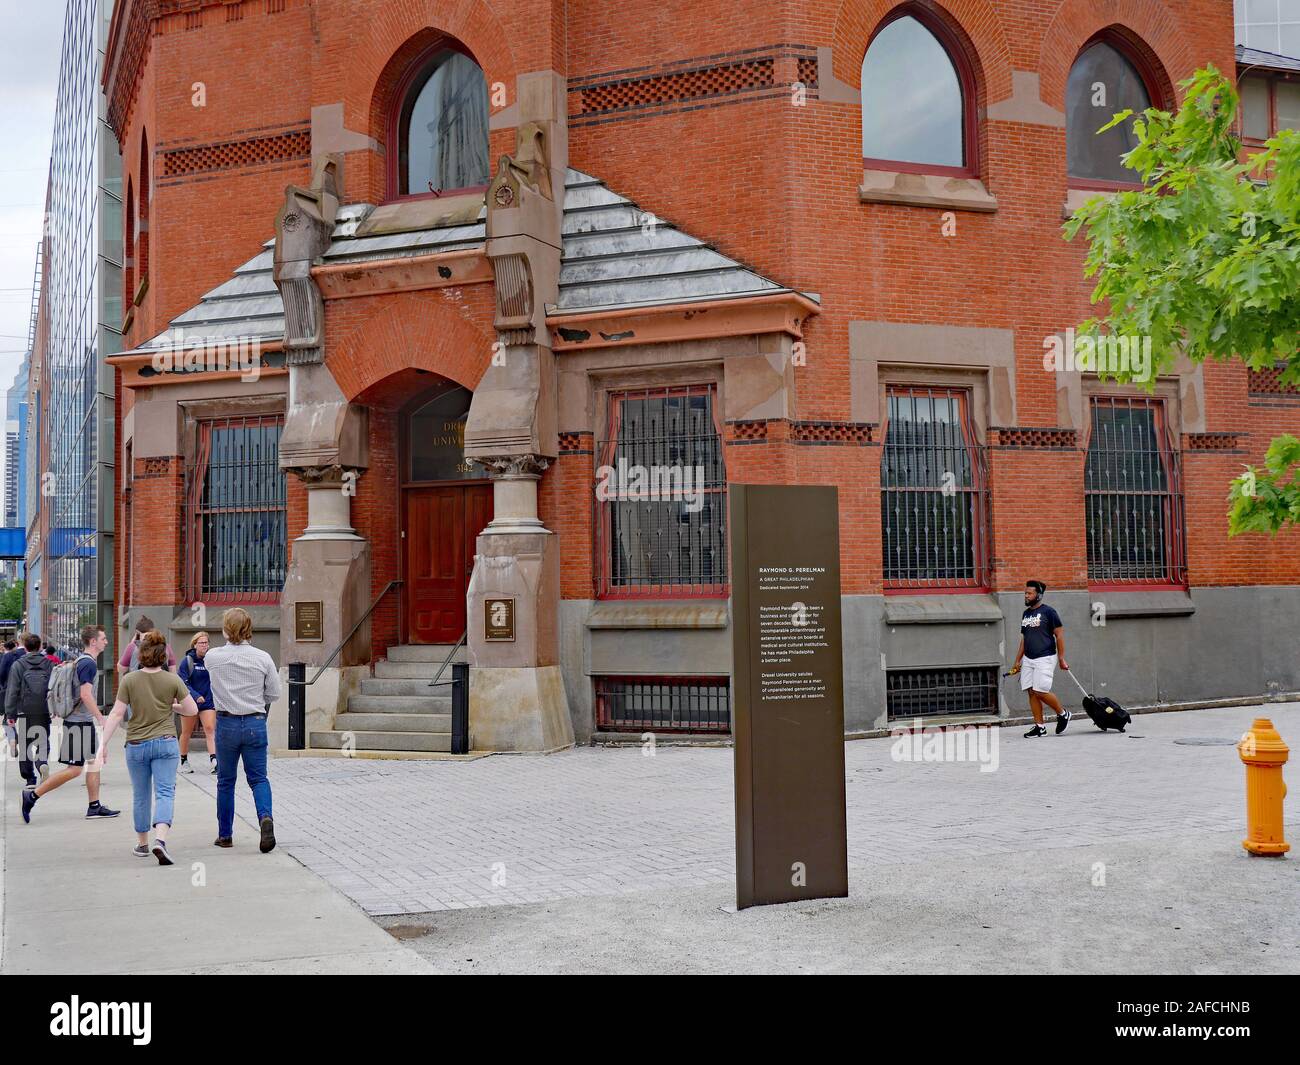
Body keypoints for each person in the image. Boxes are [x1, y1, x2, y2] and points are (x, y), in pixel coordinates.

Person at [101, 630, 197, 864]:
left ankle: (142, 844)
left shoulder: (129, 680)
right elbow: (192, 710)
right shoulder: (172, 680)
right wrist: (172, 708)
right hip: (165, 741)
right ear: (163, 657)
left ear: (141, 655)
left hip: (136, 744)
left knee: (141, 794)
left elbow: (116, 713)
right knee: (165, 792)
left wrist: (102, 744)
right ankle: (160, 840)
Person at [20, 626, 120, 822]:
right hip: (78, 723)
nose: (106, 642)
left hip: (79, 721)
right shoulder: (88, 664)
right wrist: (101, 718)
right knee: (74, 769)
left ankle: (94, 806)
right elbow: (85, 694)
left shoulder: (83, 661)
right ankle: (32, 796)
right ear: (93, 641)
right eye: (103, 639)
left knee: (93, 763)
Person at [204, 608, 280, 852]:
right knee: (258, 778)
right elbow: (274, 693)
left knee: (226, 781)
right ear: (249, 630)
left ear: (226, 630)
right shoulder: (263, 657)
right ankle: (265, 817)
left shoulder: (213, 657)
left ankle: (225, 834)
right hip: (255, 721)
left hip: (226, 723)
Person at [1010, 579, 1072, 738]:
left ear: (1039, 595)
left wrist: (1061, 658)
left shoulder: (1049, 612)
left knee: (1040, 690)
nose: (1026, 596)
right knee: (1031, 692)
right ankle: (1040, 727)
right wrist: (1018, 661)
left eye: (1029, 593)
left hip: (1045, 657)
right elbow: (1024, 639)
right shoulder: (1026, 614)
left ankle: (1063, 713)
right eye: (1025, 593)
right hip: (1029, 659)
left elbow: (1059, 636)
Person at [6, 635, 51, 787]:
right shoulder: (48, 664)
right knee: (43, 740)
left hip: (24, 709)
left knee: (25, 744)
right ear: (40, 647)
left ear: (25, 647)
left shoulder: (18, 664)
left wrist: (10, 713)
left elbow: (13, 690)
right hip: (43, 709)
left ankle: (30, 778)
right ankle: (41, 762)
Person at [177, 631, 217, 775]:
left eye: (206, 642)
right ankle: (183, 760)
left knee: (210, 728)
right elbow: (182, 682)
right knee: (186, 732)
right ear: (195, 645)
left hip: (207, 701)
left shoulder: (212, 660)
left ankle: (214, 761)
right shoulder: (187, 661)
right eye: (201, 643)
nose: (204, 645)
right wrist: (195, 695)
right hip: (189, 702)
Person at [1, 638, 18, 759]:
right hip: (29, 696)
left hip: (10, 691)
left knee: (8, 719)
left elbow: (1, 674)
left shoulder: (6, 657)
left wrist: (2, 686)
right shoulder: (23, 655)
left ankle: (12, 739)